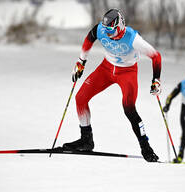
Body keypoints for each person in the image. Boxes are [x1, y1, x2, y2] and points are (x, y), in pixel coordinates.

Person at [62, 9, 161, 162]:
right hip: (106, 69)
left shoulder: (133, 38)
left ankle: (145, 147)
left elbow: (156, 56)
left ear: (120, 26)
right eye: (106, 29)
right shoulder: (101, 29)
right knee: (80, 98)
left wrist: (156, 80)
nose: (108, 33)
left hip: (127, 72)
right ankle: (86, 140)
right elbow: (89, 38)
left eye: (112, 30)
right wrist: (81, 62)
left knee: (129, 108)